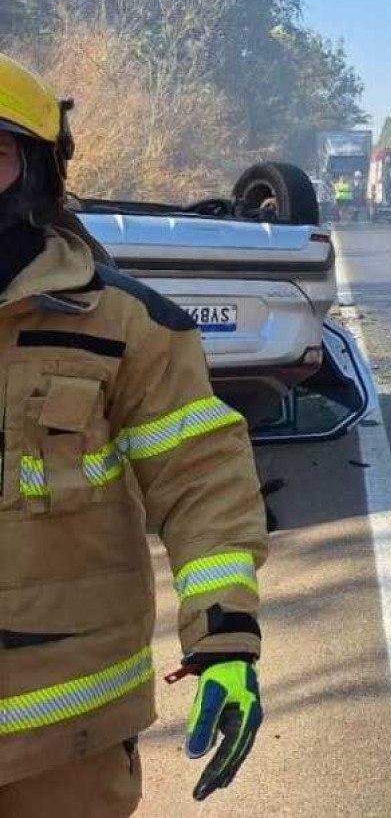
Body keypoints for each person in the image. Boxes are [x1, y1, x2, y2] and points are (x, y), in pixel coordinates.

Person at [0, 52, 267, 812]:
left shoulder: (127, 326)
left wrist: (225, 639)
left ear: (42, 174)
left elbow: (202, 481)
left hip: (62, 742)